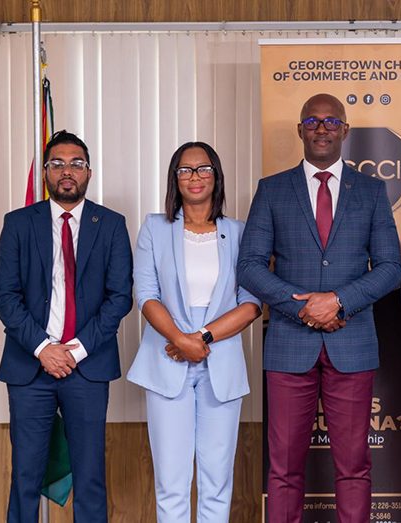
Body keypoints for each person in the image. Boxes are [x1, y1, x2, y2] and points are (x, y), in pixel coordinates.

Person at [237, 93, 401, 522]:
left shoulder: (371, 191)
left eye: (331, 121)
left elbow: (390, 268)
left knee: (353, 467)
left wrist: (338, 302)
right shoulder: (272, 190)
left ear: (345, 130)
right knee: (283, 469)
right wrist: (304, 308)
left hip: (352, 342)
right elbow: (249, 266)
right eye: (312, 121)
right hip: (289, 344)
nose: (322, 128)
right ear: (300, 130)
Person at [0, 130, 133, 522]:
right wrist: (44, 348)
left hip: (87, 367)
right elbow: (5, 296)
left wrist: (76, 350)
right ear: (46, 173)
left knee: (90, 478)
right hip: (30, 366)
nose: (66, 171)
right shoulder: (19, 223)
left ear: (89, 172)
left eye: (76, 163)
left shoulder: (111, 224)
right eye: (57, 164)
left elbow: (120, 297)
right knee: (25, 477)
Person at [127, 142, 261, 522]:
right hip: (166, 360)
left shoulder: (238, 232)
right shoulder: (155, 228)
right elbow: (146, 294)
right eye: (185, 170)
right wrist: (179, 340)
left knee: (217, 481)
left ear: (216, 175)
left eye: (203, 169)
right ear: (175, 178)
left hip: (221, 360)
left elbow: (251, 303)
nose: (195, 177)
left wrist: (199, 339)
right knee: (171, 482)